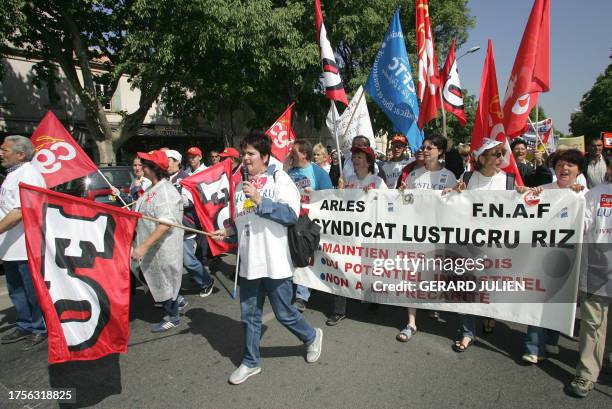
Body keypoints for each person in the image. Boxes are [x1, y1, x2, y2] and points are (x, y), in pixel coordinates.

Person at [211, 132, 322, 385]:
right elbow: (243, 220)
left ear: (264, 156)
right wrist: (228, 230)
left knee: (284, 313)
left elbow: (290, 215)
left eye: (250, 153)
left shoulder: (279, 178)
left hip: (275, 261)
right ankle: (251, 361)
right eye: (244, 153)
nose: (245, 158)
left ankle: (312, 336)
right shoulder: (240, 185)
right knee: (249, 314)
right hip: (250, 262)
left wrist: (261, 199)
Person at [452, 138, 526, 352]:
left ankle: (489, 315)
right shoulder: (467, 178)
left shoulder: (509, 181)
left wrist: (524, 196)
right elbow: (452, 204)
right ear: (482, 158)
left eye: (502, 154)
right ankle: (467, 332)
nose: (501, 158)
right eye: (496, 154)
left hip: (497, 244)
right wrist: (453, 193)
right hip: (469, 243)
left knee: (490, 286)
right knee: (468, 287)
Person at [522, 149, 587, 364]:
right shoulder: (545, 191)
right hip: (541, 255)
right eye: (560, 164)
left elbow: (586, 227)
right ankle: (533, 346)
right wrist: (523, 194)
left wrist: (577, 199)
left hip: (569, 258)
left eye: (570, 165)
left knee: (558, 300)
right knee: (537, 300)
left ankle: (552, 338)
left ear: (578, 170)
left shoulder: (584, 195)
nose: (564, 168)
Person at [396, 135, 457, 341]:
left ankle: (432, 305)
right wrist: (403, 194)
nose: (426, 150)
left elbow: (455, 208)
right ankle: (411, 323)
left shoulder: (449, 176)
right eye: (424, 147)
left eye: (430, 147)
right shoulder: (414, 175)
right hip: (416, 233)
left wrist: (454, 194)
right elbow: (406, 204)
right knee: (412, 277)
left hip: (438, 234)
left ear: (440, 151)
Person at [327, 146, 387, 326]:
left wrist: (374, 197)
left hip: (368, 235)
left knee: (368, 268)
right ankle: (339, 310)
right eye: (354, 157)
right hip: (348, 234)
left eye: (359, 157)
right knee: (341, 267)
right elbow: (338, 205)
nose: (355, 160)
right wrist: (339, 192)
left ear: (368, 162)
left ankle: (373, 298)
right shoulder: (347, 180)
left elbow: (388, 206)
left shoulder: (377, 182)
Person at [568, 158, 611, 397]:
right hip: (597, 270)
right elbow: (580, 226)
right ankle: (586, 373)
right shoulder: (596, 195)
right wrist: (573, 202)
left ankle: (607, 357)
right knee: (592, 325)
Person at [0, 135, 47, 350]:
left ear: (20, 154)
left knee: (31, 290)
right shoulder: (12, 175)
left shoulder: (29, 174)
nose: (1, 154)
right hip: (9, 246)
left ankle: (39, 326)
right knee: (16, 289)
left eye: (5, 150)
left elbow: (20, 212)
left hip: (25, 245)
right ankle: (25, 323)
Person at [131, 150, 185, 332]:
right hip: (151, 248)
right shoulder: (151, 188)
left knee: (164, 281)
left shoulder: (165, 191)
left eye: (144, 163)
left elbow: (166, 224)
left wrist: (143, 247)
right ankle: (174, 302)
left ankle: (173, 316)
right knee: (151, 278)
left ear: (153, 168)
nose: (141, 166)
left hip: (162, 249)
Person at [287, 140, 333, 312]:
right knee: (291, 257)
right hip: (290, 220)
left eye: (294, 151)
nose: (291, 154)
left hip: (308, 222)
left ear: (304, 154)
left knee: (305, 257)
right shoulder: (288, 172)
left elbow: (329, 196)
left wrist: (315, 195)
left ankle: (302, 296)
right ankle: (291, 290)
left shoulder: (317, 172)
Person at [165, 150, 215, 298]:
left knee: (188, 261)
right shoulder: (164, 179)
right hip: (167, 227)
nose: (165, 164)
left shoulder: (185, 178)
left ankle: (206, 281)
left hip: (185, 226)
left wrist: (171, 200)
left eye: (168, 160)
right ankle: (170, 294)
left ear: (177, 162)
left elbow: (189, 201)